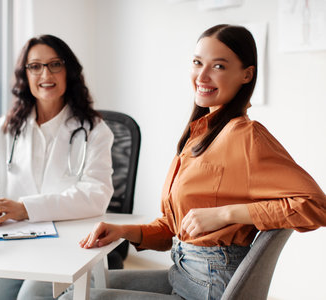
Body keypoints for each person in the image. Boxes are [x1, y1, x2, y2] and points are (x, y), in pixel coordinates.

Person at [61, 24, 326, 300]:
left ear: (246, 75)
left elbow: (317, 206)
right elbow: (174, 228)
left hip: (210, 285)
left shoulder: (246, 136)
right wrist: (125, 231)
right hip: (183, 272)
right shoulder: (199, 134)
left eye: (219, 66)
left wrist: (225, 213)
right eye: (198, 63)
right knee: (69, 288)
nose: (203, 75)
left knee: (73, 297)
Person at [0, 34, 114, 300]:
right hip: (12, 246)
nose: (45, 74)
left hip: (67, 245)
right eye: (35, 66)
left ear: (69, 72)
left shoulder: (94, 131)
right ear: (25, 75)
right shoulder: (6, 128)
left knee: (31, 297)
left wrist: (24, 208)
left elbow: (95, 195)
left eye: (55, 64)